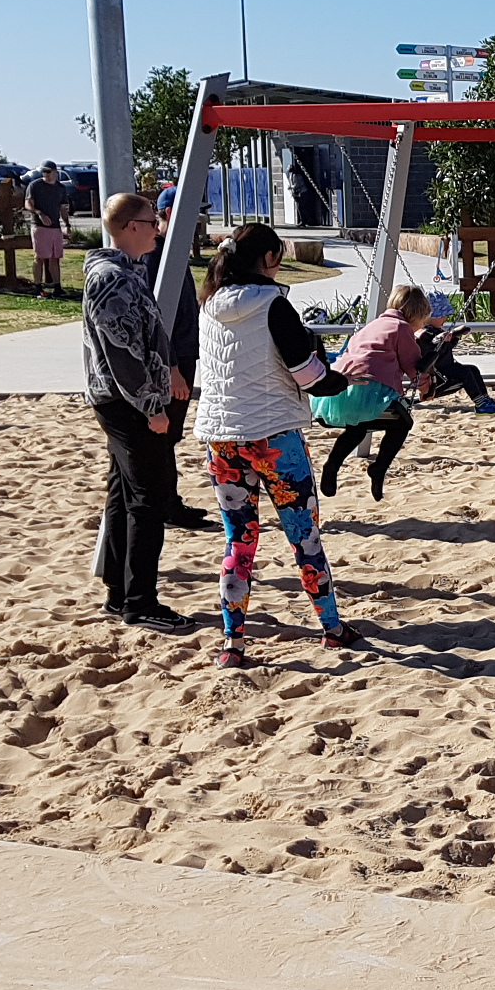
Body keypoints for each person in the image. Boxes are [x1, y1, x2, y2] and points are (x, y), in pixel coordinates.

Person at [193, 220, 363, 668]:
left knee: (238, 541)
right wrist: (342, 380)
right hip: (273, 435)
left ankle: (233, 642)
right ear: (269, 259)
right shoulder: (273, 303)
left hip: (221, 437)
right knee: (303, 534)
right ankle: (331, 627)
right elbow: (306, 374)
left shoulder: (208, 305)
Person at [81, 192, 187, 630]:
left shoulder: (127, 273)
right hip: (126, 404)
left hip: (125, 401)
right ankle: (140, 601)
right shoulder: (113, 278)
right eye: (150, 222)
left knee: (125, 493)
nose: (157, 229)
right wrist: (151, 406)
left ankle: (119, 590)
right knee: (148, 497)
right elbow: (123, 351)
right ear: (129, 227)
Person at [321, 283, 436, 500]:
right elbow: (414, 367)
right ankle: (379, 468)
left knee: (357, 428)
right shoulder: (401, 328)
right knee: (403, 424)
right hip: (373, 388)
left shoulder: (373, 325)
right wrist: (426, 389)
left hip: (344, 386)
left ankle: (332, 465)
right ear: (416, 314)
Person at [138, 229, 215, 532]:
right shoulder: (155, 254)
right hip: (170, 357)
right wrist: (171, 367)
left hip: (184, 351)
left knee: (171, 434)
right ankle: (166, 504)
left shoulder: (176, 249)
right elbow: (155, 316)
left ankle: (171, 499)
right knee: (163, 434)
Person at [413, 292, 495, 415]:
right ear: (428, 316)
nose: (445, 319)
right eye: (442, 316)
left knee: (472, 369)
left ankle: (484, 400)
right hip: (439, 376)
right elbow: (426, 341)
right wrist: (439, 339)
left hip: (448, 369)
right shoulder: (424, 332)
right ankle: (480, 403)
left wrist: (454, 337)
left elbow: (445, 348)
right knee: (465, 373)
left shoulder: (437, 331)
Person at [27, 161, 74, 298]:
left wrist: (67, 224)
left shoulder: (60, 188)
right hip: (39, 226)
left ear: (55, 172)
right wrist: (40, 213)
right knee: (40, 256)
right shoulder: (35, 185)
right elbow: (28, 203)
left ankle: (57, 286)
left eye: (48, 171)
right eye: (44, 172)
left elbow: (63, 208)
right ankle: (37, 286)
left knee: (55, 257)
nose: (46, 174)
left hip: (55, 227)